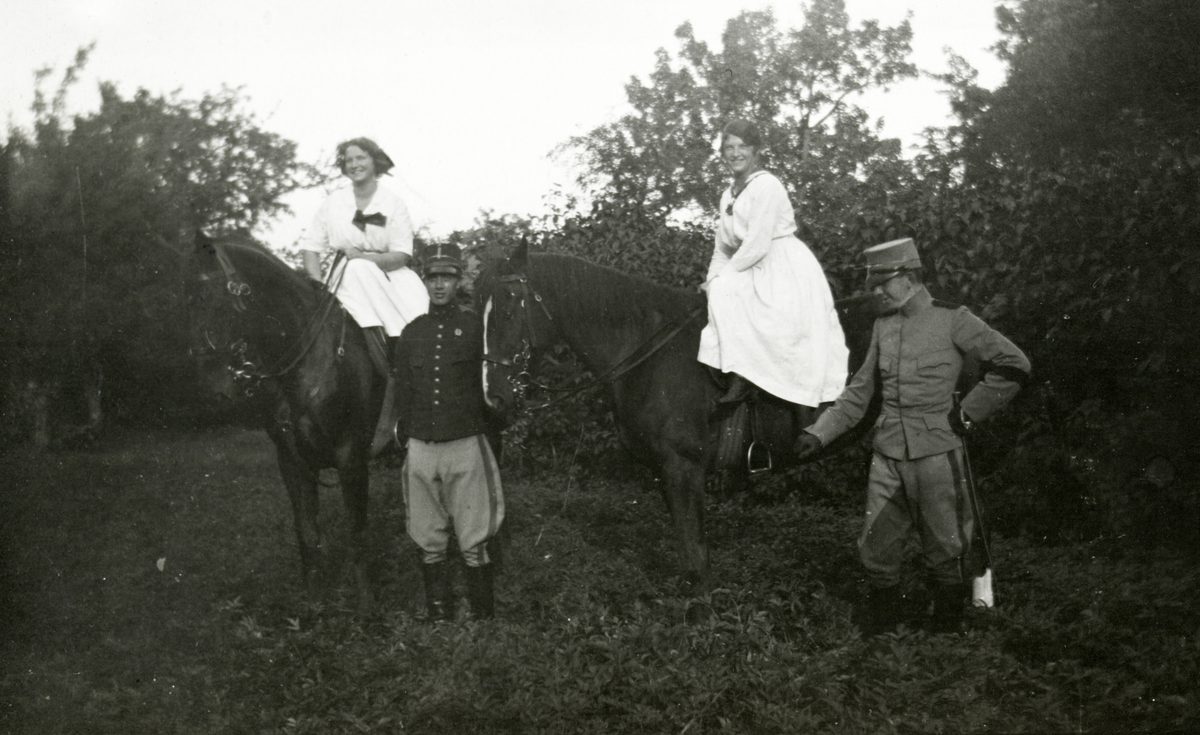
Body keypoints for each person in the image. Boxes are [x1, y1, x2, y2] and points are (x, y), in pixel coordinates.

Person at [795, 237, 1031, 635]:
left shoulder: (953, 319)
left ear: (909, 277)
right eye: (873, 284)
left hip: (938, 454)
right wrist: (818, 434)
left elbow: (1015, 364)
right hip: (888, 456)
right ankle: (883, 633)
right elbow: (859, 393)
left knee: (947, 546)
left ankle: (947, 632)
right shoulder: (883, 326)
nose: (877, 292)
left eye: (883, 282)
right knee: (876, 546)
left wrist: (967, 413)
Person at [698, 119, 849, 409]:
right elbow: (722, 249)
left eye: (743, 146)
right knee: (717, 292)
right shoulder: (727, 195)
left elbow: (756, 244)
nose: (736, 153)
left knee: (771, 320)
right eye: (729, 147)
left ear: (756, 150)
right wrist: (712, 279)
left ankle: (747, 376)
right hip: (748, 263)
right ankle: (732, 368)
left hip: (781, 264)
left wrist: (724, 279)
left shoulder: (767, 185)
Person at [394, 243, 505, 621]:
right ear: (424, 282)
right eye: (433, 278)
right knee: (427, 536)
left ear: (459, 281)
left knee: (476, 536)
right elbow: (403, 392)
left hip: (465, 443)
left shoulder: (476, 328)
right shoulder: (412, 332)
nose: (439, 285)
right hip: (422, 447)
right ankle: (438, 614)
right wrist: (407, 439)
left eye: (447, 277)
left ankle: (483, 616)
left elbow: (491, 385)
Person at [299, 137, 429, 375]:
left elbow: (401, 255)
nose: (354, 164)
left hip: (390, 277)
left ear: (374, 161)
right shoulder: (334, 202)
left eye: (360, 158)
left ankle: (398, 355)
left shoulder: (393, 203)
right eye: (349, 160)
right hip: (344, 278)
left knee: (419, 328)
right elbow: (311, 247)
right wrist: (317, 287)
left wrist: (362, 259)